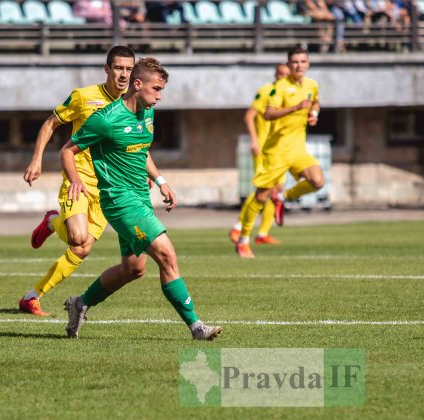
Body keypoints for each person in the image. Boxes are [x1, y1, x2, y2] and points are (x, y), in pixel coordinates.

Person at [60, 57, 222, 341]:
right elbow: (66, 151)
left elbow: (141, 149)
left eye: (162, 90)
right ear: (138, 84)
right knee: (167, 255)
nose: (159, 96)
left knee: (133, 269)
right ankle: (196, 327)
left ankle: (80, 303)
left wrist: (160, 180)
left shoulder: (147, 112)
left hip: (140, 199)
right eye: (156, 89)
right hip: (120, 201)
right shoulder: (106, 120)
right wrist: (75, 181)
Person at [18, 46, 135, 316]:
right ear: (107, 69)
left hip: (108, 186)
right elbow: (50, 123)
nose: (123, 74)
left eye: (129, 69)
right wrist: (36, 160)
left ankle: (32, 296)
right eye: (118, 68)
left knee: (81, 249)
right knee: (77, 236)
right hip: (77, 179)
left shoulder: (132, 103)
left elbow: (133, 142)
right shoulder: (84, 97)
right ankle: (52, 222)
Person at [235, 46, 325, 259]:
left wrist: (313, 113)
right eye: (294, 62)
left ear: (308, 63)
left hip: (298, 149)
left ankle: (283, 196)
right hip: (276, 151)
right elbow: (268, 113)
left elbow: (316, 102)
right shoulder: (280, 87)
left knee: (318, 181)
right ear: (289, 64)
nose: (299, 66)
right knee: (260, 196)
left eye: (302, 61)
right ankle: (243, 239)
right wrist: (295, 108)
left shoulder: (312, 85)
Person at [229, 63, 291, 246]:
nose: (283, 77)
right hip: (264, 149)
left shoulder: (289, 94)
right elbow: (249, 116)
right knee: (264, 189)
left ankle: (263, 232)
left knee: (276, 190)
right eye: (280, 74)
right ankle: (238, 227)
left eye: (286, 75)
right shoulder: (267, 91)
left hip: (280, 150)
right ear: (276, 74)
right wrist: (254, 140)